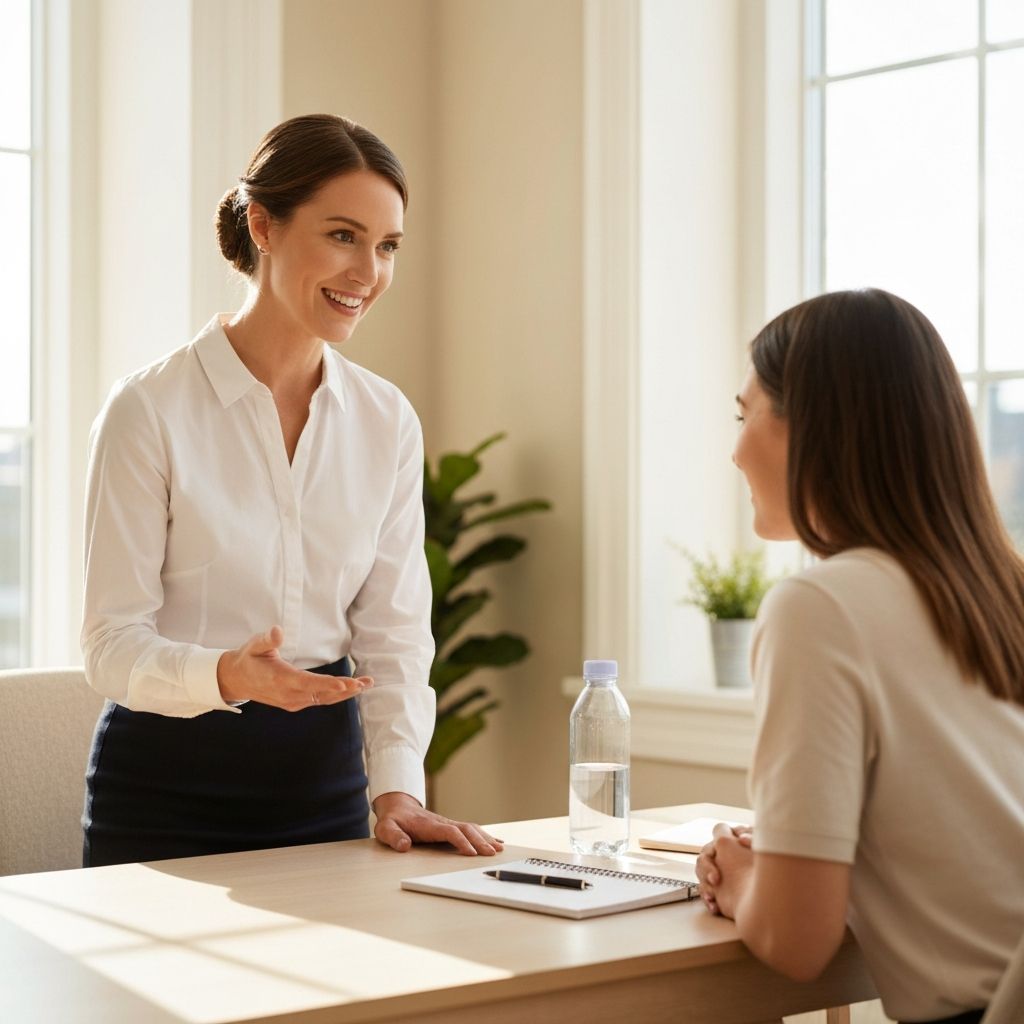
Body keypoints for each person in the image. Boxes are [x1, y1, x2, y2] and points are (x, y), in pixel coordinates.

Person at [81, 113, 503, 866]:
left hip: (326, 789)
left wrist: (399, 788)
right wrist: (225, 674)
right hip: (162, 794)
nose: (368, 273)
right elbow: (110, 645)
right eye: (343, 236)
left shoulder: (385, 420)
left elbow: (395, 634)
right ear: (264, 226)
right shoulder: (148, 410)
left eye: (387, 246)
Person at [695, 288, 1024, 1024]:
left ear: (810, 429)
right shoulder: (1007, 590)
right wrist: (799, 853)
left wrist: (744, 878)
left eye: (745, 416)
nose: (735, 447)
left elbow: (795, 941)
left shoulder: (820, 609)